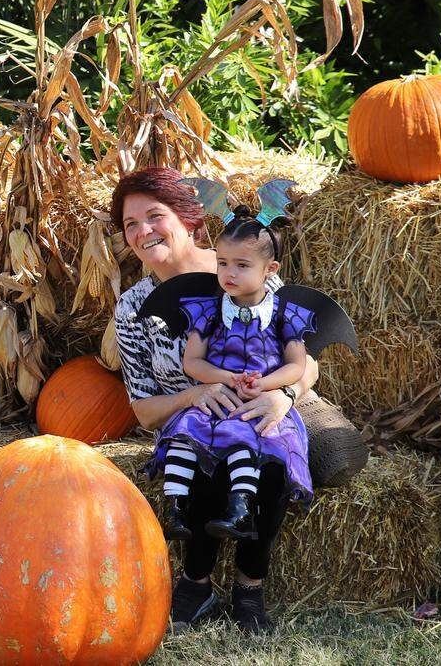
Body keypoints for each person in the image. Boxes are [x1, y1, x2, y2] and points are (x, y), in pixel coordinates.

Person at [111, 167, 330, 634]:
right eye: (131, 224)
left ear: (188, 218)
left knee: (270, 462)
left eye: (155, 216)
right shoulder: (133, 307)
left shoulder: (240, 263)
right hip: (196, 411)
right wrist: (194, 394)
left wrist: (283, 398)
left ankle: (250, 587)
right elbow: (144, 411)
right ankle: (196, 583)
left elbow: (305, 362)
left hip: (264, 398)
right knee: (204, 457)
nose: (143, 231)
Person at [148, 204, 313, 545]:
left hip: (260, 403)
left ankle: (241, 509)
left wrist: (265, 384)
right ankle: (176, 508)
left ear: (270, 269)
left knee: (246, 440)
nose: (229, 273)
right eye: (222, 263)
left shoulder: (284, 313)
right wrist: (225, 377)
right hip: (217, 399)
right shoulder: (208, 309)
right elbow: (192, 362)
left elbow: (297, 365)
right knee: (183, 436)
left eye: (242, 265)